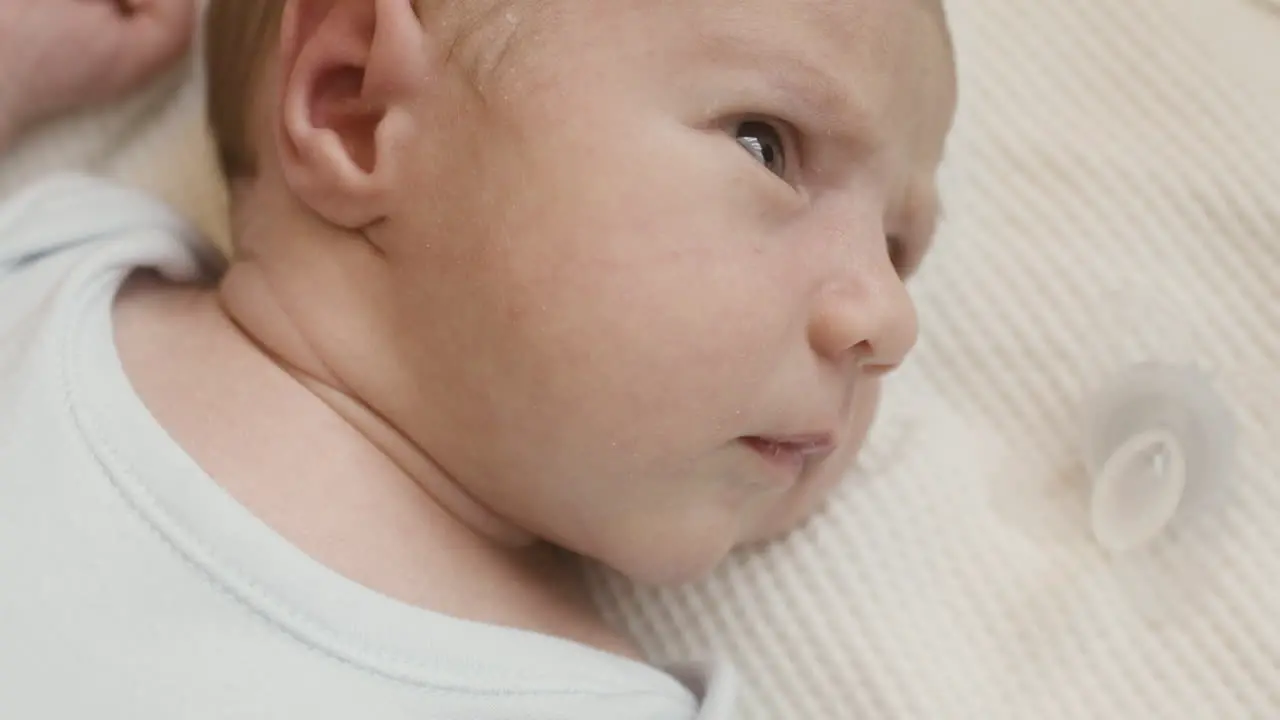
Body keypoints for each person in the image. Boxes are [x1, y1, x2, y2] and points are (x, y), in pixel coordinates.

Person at [0, 0, 957, 716]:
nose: (890, 319)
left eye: (899, 246)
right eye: (767, 143)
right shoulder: (60, 262)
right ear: (355, 110)